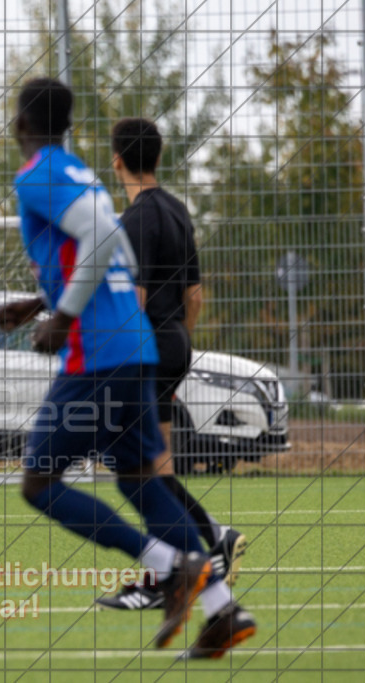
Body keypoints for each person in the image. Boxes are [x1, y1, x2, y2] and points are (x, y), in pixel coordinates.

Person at [0, 77, 255, 658]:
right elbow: (108, 244)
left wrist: (60, 317)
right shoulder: (81, 173)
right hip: (134, 348)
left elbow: (99, 238)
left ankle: (167, 566)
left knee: (39, 482)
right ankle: (222, 609)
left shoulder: (38, 175)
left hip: (98, 356)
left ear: (21, 124)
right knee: (140, 478)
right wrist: (37, 304)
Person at [94, 117, 247, 612]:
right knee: (152, 466)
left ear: (116, 160)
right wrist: (179, 339)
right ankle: (210, 538)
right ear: (157, 158)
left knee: (138, 469)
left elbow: (131, 300)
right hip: (175, 340)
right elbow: (195, 295)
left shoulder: (134, 220)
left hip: (145, 348)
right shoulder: (179, 211)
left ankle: (164, 577)